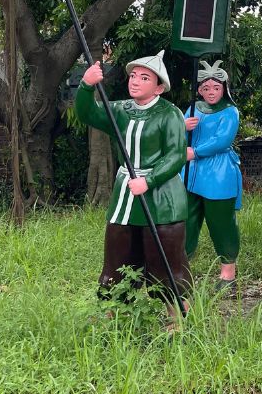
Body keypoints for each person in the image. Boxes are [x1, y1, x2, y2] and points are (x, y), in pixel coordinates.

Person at [76, 50, 191, 321]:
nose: (135, 81)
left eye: (144, 77)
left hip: (162, 200)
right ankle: (113, 309)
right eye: (133, 76)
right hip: (125, 198)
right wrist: (86, 85)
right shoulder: (120, 110)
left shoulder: (170, 114)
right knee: (117, 255)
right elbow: (88, 113)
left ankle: (176, 310)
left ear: (159, 87)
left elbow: (175, 154)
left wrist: (149, 180)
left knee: (164, 259)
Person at [182, 60, 242, 290]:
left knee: (221, 221)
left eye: (215, 88)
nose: (211, 92)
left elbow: (222, 139)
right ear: (199, 90)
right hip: (190, 173)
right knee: (186, 218)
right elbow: (179, 133)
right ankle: (182, 264)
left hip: (218, 172)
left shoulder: (229, 111)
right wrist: (182, 127)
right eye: (205, 88)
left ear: (224, 88)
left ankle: (228, 271)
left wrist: (195, 152)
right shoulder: (192, 108)